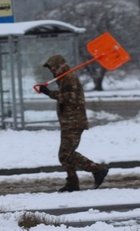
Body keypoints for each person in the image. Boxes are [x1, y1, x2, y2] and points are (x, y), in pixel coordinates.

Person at [39, 54, 109, 192]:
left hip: (74, 122)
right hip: (68, 122)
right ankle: (72, 183)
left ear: (59, 67)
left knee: (67, 154)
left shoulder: (69, 78)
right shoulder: (64, 79)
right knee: (64, 155)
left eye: (53, 68)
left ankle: (97, 170)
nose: (52, 71)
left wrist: (48, 93)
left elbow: (68, 98)